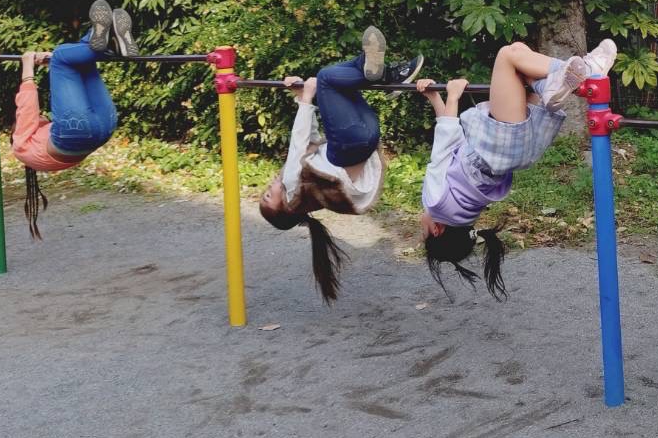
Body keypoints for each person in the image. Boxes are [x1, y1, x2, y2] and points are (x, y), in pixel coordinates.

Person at [418, 37, 616, 298]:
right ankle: (588, 71)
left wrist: (434, 98)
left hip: (517, 151)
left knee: (521, 51)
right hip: (497, 143)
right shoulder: (433, 203)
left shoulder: (464, 215)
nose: (420, 225)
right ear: (436, 229)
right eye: (423, 232)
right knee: (507, 55)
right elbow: (444, 144)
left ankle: (551, 85)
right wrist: (452, 96)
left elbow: (449, 142)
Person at [258, 26, 423, 303]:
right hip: (347, 144)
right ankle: (386, 75)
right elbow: (298, 143)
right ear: (285, 206)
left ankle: (386, 74)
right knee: (325, 78)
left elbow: (309, 143)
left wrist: (301, 97)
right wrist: (306, 99)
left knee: (341, 80)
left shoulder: (313, 192)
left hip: (367, 137)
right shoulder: (294, 190)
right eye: (267, 196)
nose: (268, 188)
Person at [11, 0, 138, 238]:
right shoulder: (20, 145)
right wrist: (28, 67)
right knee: (61, 55)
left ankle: (112, 43)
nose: (39, 118)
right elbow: (27, 108)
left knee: (80, 62)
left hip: (103, 129)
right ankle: (104, 43)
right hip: (74, 132)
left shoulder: (38, 154)